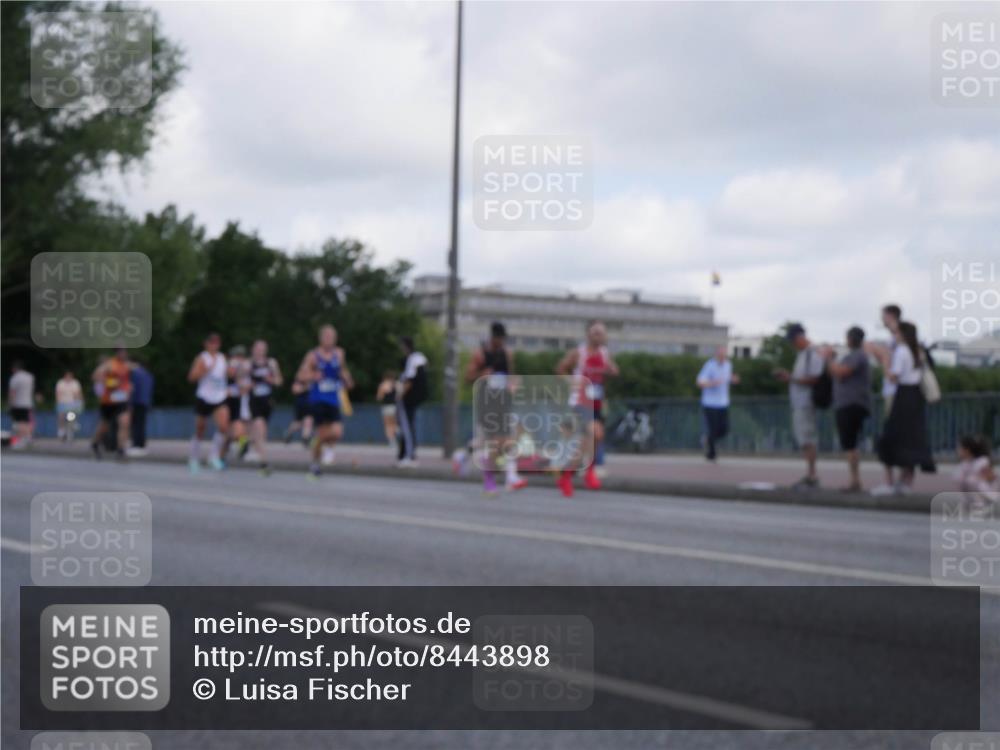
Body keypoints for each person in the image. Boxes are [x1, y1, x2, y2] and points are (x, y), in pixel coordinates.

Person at [555, 320, 619, 497]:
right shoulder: (579, 353)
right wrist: (572, 382)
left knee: (587, 442)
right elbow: (560, 369)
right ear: (588, 335)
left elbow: (615, 371)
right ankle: (587, 472)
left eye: (602, 333)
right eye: (596, 332)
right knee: (594, 434)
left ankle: (567, 476)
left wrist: (608, 371)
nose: (599, 336)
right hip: (580, 403)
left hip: (596, 402)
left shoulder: (605, 353)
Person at [871, 321, 936, 495]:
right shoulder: (917, 351)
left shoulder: (902, 351)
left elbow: (893, 377)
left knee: (891, 439)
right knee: (911, 439)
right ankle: (906, 482)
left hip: (903, 397)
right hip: (916, 397)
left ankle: (889, 483)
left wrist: (885, 360)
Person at [466, 321, 527, 495]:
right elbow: (468, 376)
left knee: (505, 442)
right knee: (499, 442)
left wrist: (514, 383)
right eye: (498, 338)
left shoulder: (507, 354)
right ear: (492, 337)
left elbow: (510, 375)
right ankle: (497, 479)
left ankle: (502, 476)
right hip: (486, 402)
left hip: (503, 402)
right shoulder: (480, 354)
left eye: (503, 339)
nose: (501, 342)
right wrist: (481, 374)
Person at [296, 325, 353, 478]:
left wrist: (347, 379)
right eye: (326, 336)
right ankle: (315, 464)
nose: (329, 339)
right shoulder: (313, 355)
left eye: (332, 337)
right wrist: (312, 376)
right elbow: (300, 376)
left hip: (333, 399)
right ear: (321, 338)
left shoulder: (339, 353)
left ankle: (316, 445)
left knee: (337, 432)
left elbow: (342, 370)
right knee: (324, 433)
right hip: (318, 399)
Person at [775, 323, 825, 489]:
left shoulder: (813, 354)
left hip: (806, 402)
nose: (792, 344)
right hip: (799, 402)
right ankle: (810, 474)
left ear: (800, 338)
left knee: (807, 438)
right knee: (803, 438)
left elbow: (814, 379)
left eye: (792, 340)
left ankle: (812, 475)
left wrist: (791, 378)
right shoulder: (803, 354)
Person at [823, 326, 872, 492]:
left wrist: (829, 358)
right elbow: (834, 373)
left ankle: (855, 481)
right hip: (848, 403)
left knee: (850, 443)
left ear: (850, 339)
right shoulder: (853, 356)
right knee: (849, 443)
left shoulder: (857, 356)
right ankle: (854, 480)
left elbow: (840, 373)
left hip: (850, 404)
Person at [187, 333, 229, 472]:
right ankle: (194, 458)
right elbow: (191, 378)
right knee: (200, 429)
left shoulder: (222, 358)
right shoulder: (202, 358)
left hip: (219, 397)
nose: (213, 345)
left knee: (223, 426)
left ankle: (213, 457)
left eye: (216, 343)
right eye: (211, 343)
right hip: (204, 397)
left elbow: (225, 376)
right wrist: (204, 371)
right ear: (206, 344)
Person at [244, 339, 282, 475]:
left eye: (262, 348)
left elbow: (279, 381)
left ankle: (249, 444)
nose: (260, 351)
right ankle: (264, 461)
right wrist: (249, 385)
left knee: (262, 431)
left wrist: (270, 380)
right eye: (257, 348)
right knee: (259, 427)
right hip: (254, 400)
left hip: (267, 401)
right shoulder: (248, 364)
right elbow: (239, 382)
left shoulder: (271, 363)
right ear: (253, 349)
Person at [696, 345, 740, 461]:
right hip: (710, 403)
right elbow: (700, 382)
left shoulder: (728, 365)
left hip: (723, 402)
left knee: (724, 429)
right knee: (713, 429)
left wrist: (733, 379)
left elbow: (727, 378)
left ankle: (707, 439)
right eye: (721, 354)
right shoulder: (709, 365)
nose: (723, 357)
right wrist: (712, 383)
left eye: (724, 354)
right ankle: (712, 453)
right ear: (717, 354)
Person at [91, 347, 132, 461]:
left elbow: (125, 381)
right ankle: (95, 444)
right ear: (117, 353)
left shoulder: (126, 365)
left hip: (122, 400)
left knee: (124, 423)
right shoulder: (110, 364)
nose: (123, 353)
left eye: (125, 351)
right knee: (104, 426)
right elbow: (95, 376)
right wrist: (109, 382)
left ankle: (121, 451)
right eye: (121, 351)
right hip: (108, 400)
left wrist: (128, 387)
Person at [396, 336, 428, 467]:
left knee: (407, 428)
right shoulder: (419, 358)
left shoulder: (412, 359)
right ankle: (406, 454)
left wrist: (400, 395)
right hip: (415, 399)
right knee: (410, 426)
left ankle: (409, 455)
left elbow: (409, 380)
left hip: (408, 399)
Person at [224, 345, 251, 460]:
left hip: (236, 398)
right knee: (234, 425)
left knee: (234, 424)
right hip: (237, 398)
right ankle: (239, 444)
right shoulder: (244, 364)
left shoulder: (235, 364)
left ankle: (240, 443)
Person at [954, 435, 998, 504]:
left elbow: (988, 479)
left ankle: (985, 503)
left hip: (989, 493)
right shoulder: (964, 463)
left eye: (960, 448)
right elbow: (958, 479)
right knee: (965, 480)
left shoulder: (982, 461)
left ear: (967, 450)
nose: (958, 450)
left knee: (971, 480)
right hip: (972, 497)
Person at [128, 358, 154, 456]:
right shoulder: (148, 375)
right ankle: (142, 445)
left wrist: (130, 402)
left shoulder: (135, 374)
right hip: (145, 402)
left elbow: (133, 389)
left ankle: (136, 445)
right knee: (142, 424)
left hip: (137, 402)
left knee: (136, 424)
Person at [8, 361, 36, 448]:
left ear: (15, 369)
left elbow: (12, 392)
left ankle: (21, 440)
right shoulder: (30, 377)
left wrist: (10, 404)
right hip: (28, 403)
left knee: (19, 422)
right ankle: (28, 439)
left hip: (18, 403)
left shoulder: (15, 378)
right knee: (27, 422)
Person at [284, 379, 314, 446]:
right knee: (298, 423)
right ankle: (289, 433)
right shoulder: (299, 380)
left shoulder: (314, 379)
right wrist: (306, 387)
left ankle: (305, 439)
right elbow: (295, 390)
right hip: (301, 404)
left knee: (308, 421)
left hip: (311, 404)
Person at [55, 370, 83, 441]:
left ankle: (71, 430)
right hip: (63, 403)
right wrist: (59, 402)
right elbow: (58, 393)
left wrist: (79, 401)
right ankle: (61, 430)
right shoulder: (60, 383)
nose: (68, 377)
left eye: (70, 376)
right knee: (61, 416)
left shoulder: (75, 383)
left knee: (71, 417)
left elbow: (78, 393)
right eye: (67, 376)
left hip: (72, 403)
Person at [376, 371, 398, 449]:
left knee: (388, 425)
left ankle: (392, 442)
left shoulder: (383, 385)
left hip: (386, 407)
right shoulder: (396, 384)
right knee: (394, 424)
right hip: (395, 407)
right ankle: (397, 434)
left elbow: (379, 397)